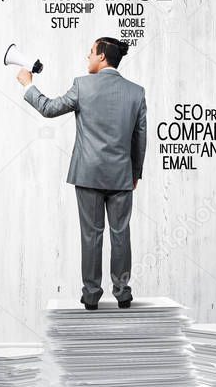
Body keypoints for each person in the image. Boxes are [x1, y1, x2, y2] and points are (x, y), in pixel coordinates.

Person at [16, 37, 146, 310]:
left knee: (91, 235)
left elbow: (49, 109)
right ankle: (122, 293)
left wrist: (28, 85)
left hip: (88, 174)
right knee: (121, 234)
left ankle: (91, 296)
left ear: (102, 57)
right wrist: (135, 172)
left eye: (90, 52)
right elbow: (139, 137)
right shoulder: (137, 92)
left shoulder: (82, 86)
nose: (87, 57)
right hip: (121, 175)